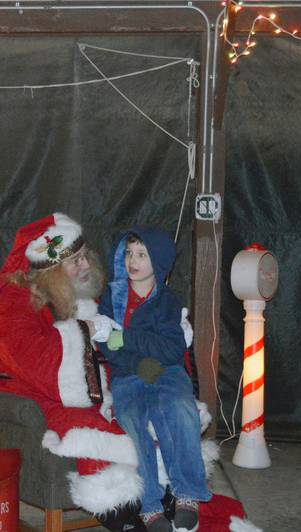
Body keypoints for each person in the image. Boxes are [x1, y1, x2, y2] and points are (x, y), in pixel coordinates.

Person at [0, 213, 147, 528]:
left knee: (145, 410)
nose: (86, 265)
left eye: (85, 255)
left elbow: (113, 347)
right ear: (51, 271)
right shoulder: (12, 304)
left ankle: (162, 500)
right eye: (75, 261)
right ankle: (124, 515)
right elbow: (40, 364)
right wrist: (84, 330)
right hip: (33, 396)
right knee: (93, 432)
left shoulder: (74, 293)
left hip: (91, 390)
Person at [96, 228, 212, 532]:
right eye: (129, 253)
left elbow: (173, 347)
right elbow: (107, 344)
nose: (133, 261)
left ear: (158, 262)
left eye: (142, 255)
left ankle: (187, 493)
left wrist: (128, 337)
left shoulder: (167, 302)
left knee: (179, 408)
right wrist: (138, 359)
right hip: (128, 374)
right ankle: (150, 506)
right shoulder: (112, 296)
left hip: (169, 372)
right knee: (133, 420)